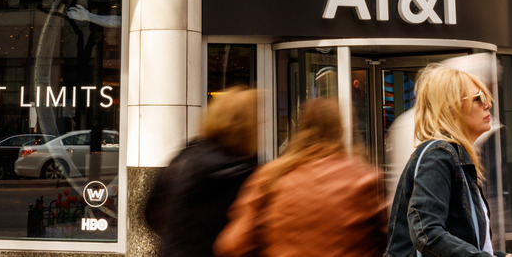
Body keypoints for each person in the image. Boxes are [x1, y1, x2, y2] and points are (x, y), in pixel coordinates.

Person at [384, 63, 512, 257]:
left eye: (487, 97)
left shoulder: (454, 156)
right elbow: (426, 233)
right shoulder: (439, 155)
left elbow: (465, 240)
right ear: (451, 107)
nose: (488, 104)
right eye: (478, 99)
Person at [213, 97, 387, 257]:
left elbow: (233, 244)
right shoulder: (363, 178)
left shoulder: (270, 177)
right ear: (341, 131)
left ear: (300, 128)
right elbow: (388, 238)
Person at [144, 87, 259, 257]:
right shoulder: (241, 171)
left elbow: (150, 211)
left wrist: (177, 237)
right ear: (247, 128)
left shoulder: (186, 155)